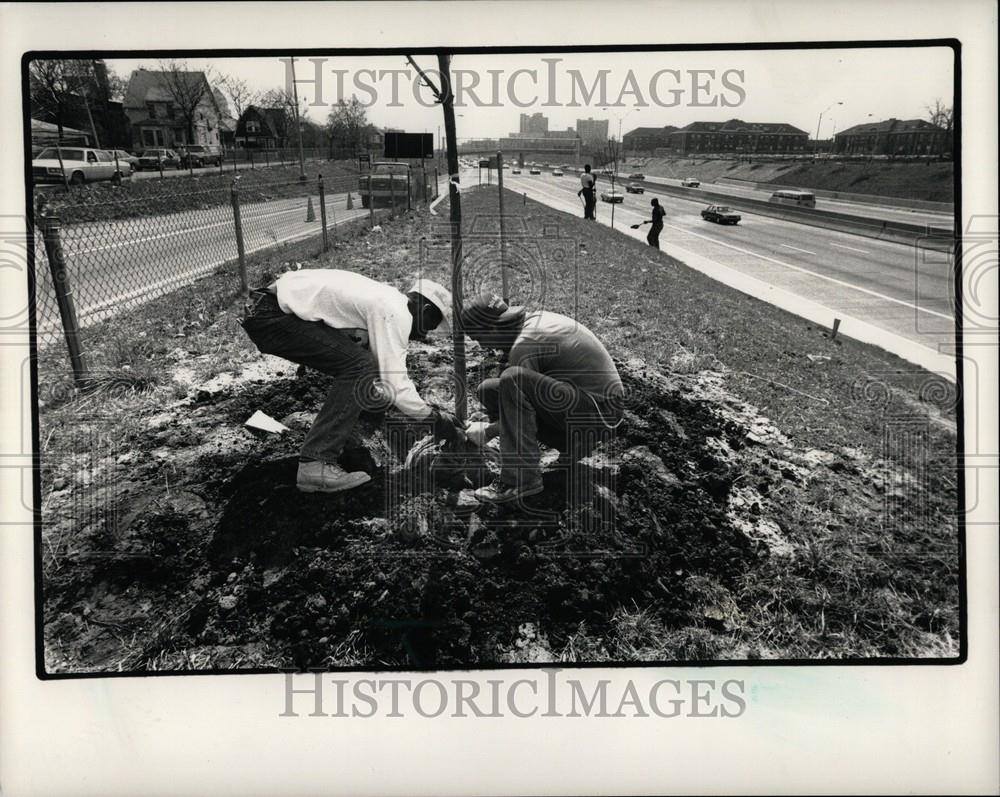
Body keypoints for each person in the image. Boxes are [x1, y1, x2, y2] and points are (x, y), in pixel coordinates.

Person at [241, 269, 463, 493]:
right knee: (359, 366)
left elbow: (381, 374)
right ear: (424, 309)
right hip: (271, 315)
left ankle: (353, 431)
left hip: (266, 306)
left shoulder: (386, 299)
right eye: (430, 326)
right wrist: (435, 419)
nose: (424, 336)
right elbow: (396, 383)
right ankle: (314, 464)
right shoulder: (395, 313)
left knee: (361, 364)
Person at [460, 294, 624, 504]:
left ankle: (520, 480)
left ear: (491, 328)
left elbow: (517, 402)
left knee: (512, 380)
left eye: (479, 339)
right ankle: (574, 443)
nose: (483, 347)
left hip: (602, 412)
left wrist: (486, 432)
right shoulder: (532, 321)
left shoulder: (525, 344)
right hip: (593, 404)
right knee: (489, 390)